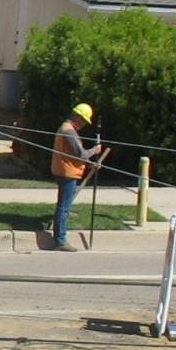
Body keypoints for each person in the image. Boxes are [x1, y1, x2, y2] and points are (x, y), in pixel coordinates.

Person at [49, 102, 106, 251]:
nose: (83, 125)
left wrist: (90, 165)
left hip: (66, 170)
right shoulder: (69, 132)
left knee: (64, 206)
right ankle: (60, 241)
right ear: (78, 117)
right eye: (83, 121)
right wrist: (95, 150)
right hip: (67, 173)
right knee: (64, 207)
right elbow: (80, 155)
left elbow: (74, 156)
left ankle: (59, 237)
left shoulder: (67, 129)